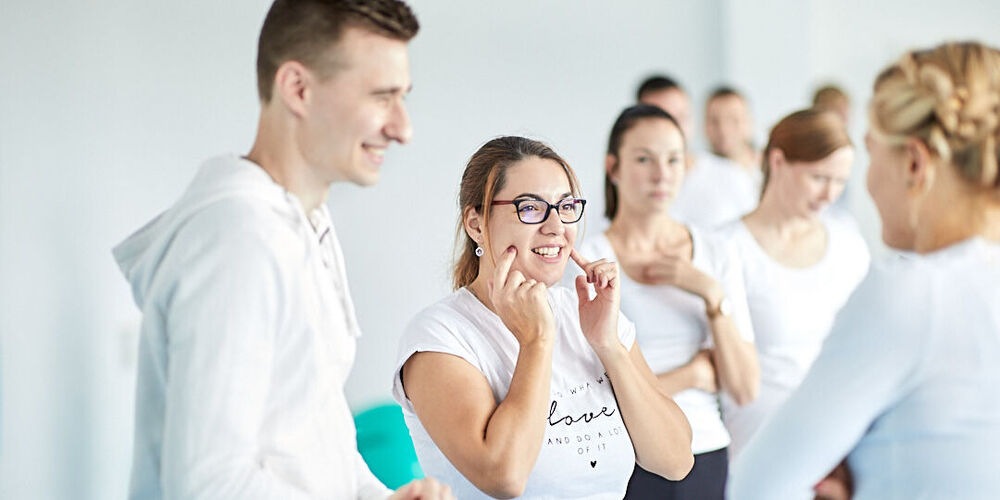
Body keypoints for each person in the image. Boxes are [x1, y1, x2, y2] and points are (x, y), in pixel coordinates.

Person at [112, 1, 453, 498]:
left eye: (403, 98)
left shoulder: (304, 223)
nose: (403, 128)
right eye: (382, 98)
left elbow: (316, 433)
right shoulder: (239, 239)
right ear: (298, 88)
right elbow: (211, 485)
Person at [729, 41, 1000, 499]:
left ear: (915, 164)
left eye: (871, 156)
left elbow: (755, 486)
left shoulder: (912, 290)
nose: (866, 183)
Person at [393, 136, 694, 499]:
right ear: (476, 223)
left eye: (566, 207)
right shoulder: (440, 336)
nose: (556, 227)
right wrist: (536, 341)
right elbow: (505, 476)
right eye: (530, 208)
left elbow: (675, 460)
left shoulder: (587, 313)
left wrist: (608, 344)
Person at [572, 104, 759, 499]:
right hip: (622, 455)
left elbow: (743, 387)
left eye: (674, 159)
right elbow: (589, 394)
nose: (662, 174)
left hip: (705, 450)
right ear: (614, 167)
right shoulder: (586, 259)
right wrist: (690, 376)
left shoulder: (716, 252)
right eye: (644, 159)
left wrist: (711, 294)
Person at [714, 109, 870, 460]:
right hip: (760, 448)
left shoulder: (848, 242)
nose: (830, 193)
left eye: (840, 181)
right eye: (818, 177)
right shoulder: (727, 247)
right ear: (778, 161)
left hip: (841, 446)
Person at [670, 87, 762, 228]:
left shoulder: (773, 171)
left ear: (750, 122)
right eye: (714, 121)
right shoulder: (693, 174)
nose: (723, 129)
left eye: (733, 120)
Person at [636, 75, 697, 170]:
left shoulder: (725, 175)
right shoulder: (628, 177)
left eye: (681, 117)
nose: (676, 129)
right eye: (663, 120)